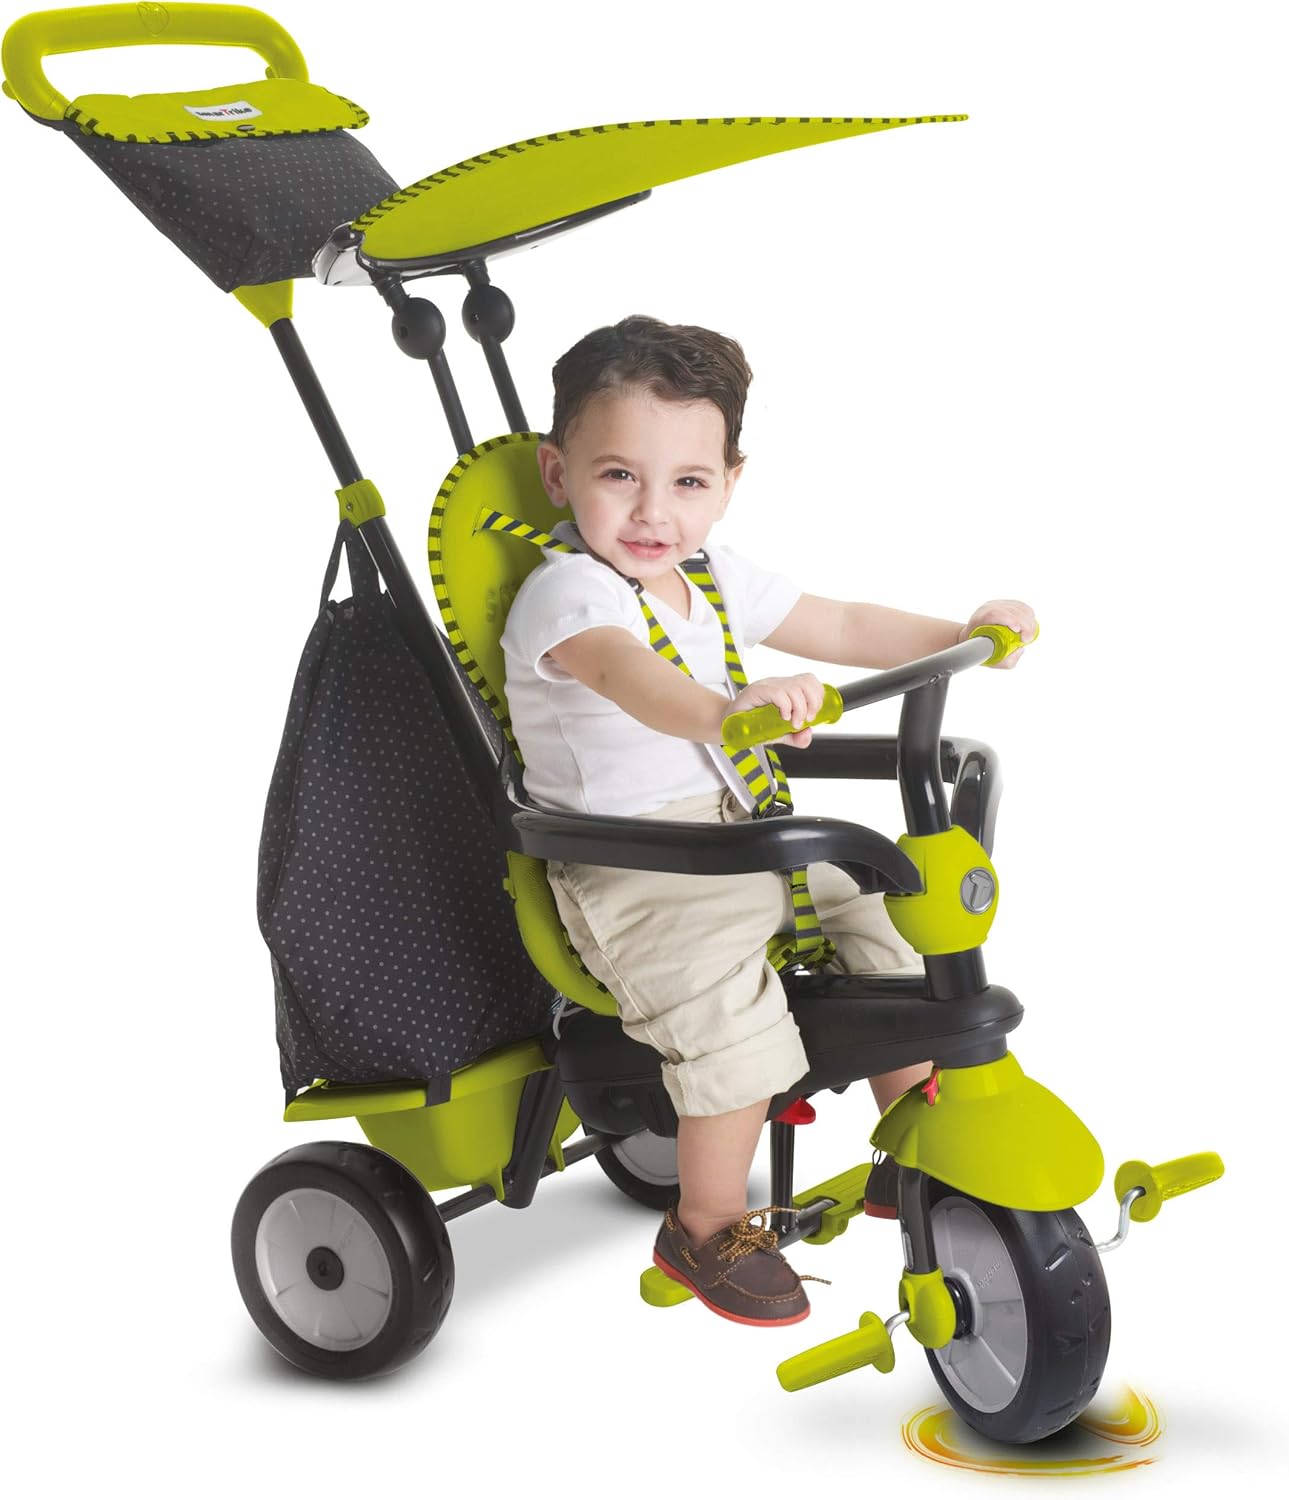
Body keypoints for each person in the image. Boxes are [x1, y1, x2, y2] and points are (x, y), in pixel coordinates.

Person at [499, 314, 1035, 1327]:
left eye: (686, 482)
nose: (653, 511)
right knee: (735, 1033)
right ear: (558, 474)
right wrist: (726, 712)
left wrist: (962, 632)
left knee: (893, 924)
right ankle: (705, 1224)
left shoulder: (711, 574)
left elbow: (839, 624)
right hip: (634, 869)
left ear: (728, 484)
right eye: (618, 476)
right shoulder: (566, 594)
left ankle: (915, 1142)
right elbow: (629, 677)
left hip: (736, 839)